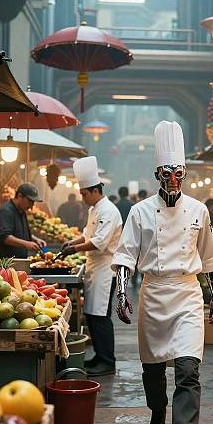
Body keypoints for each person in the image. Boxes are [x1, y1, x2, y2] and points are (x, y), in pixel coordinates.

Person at [112, 121, 213, 424]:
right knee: (153, 368)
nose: (173, 179)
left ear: (184, 173)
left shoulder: (199, 210)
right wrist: (120, 294)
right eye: (167, 173)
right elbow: (125, 256)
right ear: (157, 173)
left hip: (188, 293)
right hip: (154, 293)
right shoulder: (141, 212)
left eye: (178, 173)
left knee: (189, 368)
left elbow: (208, 258)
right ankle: (158, 413)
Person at [60, 157, 123, 376]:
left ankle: (108, 361)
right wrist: (73, 242)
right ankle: (99, 355)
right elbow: (87, 235)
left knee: (101, 317)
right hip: (93, 267)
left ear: (96, 190)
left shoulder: (109, 211)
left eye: (84, 194)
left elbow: (99, 242)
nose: (82, 198)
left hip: (106, 269)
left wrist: (73, 251)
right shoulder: (94, 209)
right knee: (92, 315)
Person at [0, 183, 47, 258]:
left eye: (33, 202)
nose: (31, 206)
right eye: (30, 201)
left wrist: (35, 239)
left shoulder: (22, 211)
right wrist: (26, 243)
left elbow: (20, 232)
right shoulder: (5, 212)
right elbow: (5, 237)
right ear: (19, 196)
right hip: (5, 264)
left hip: (19, 261)